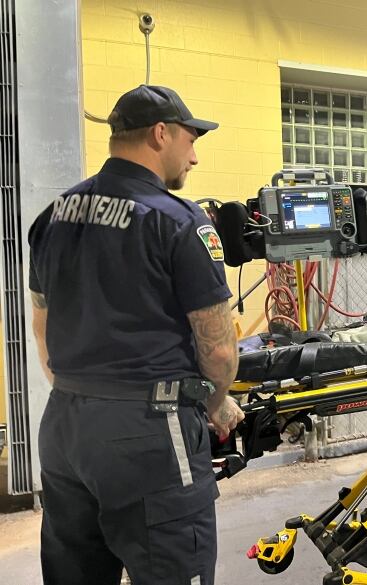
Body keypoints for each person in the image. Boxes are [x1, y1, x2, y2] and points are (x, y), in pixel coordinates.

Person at [28, 85, 245, 585]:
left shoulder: (52, 217)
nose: (194, 156)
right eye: (190, 140)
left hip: (64, 427)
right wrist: (216, 402)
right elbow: (217, 347)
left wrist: (85, 394)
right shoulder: (178, 221)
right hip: (150, 430)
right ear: (160, 133)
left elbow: (41, 328)